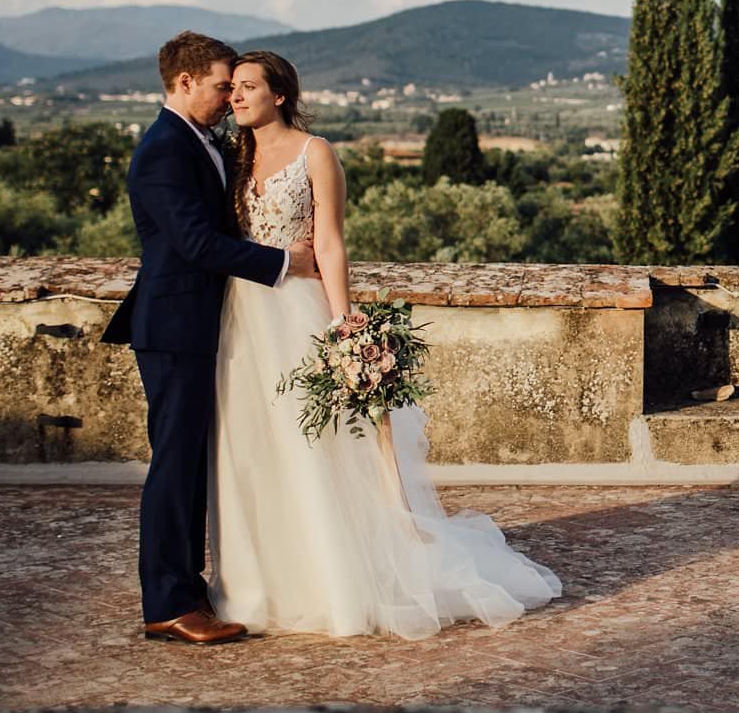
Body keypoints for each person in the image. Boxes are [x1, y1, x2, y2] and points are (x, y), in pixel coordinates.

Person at [207, 49, 562, 637]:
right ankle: (263, 584)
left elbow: (330, 244)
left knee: (312, 448)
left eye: (247, 87)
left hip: (298, 313)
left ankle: (334, 583)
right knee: (250, 449)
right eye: (233, 88)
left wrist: (345, 327)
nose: (235, 97)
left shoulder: (315, 152)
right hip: (241, 316)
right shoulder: (233, 156)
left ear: (280, 95)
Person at [101, 32, 317, 645]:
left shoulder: (204, 143)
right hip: (174, 327)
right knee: (175, 465)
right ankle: (167, 604)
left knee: (197, 462)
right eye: (223, 85)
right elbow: (196, 243)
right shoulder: (163, 151)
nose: (229, 98)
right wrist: (284, 264)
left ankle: (191, 592)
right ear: (186, 82)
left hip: (207, 324)